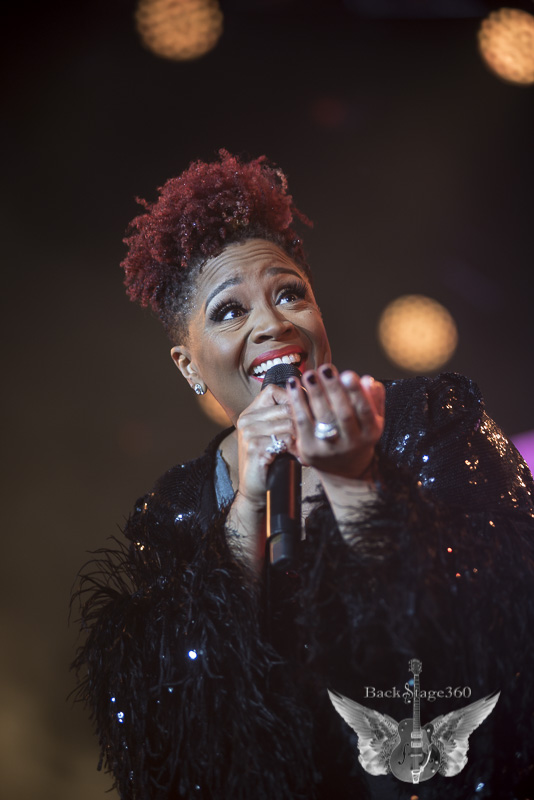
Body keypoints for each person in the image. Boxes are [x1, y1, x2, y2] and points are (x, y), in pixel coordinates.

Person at [72, 150, 534, 800]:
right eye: (229, 311)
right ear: (189, 365)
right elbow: (170, 741)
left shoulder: (429, 417)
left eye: (290, 294)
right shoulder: (177, 507)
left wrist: (355, 484)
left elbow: (506, 634)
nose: (273, 323)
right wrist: (247, 507)